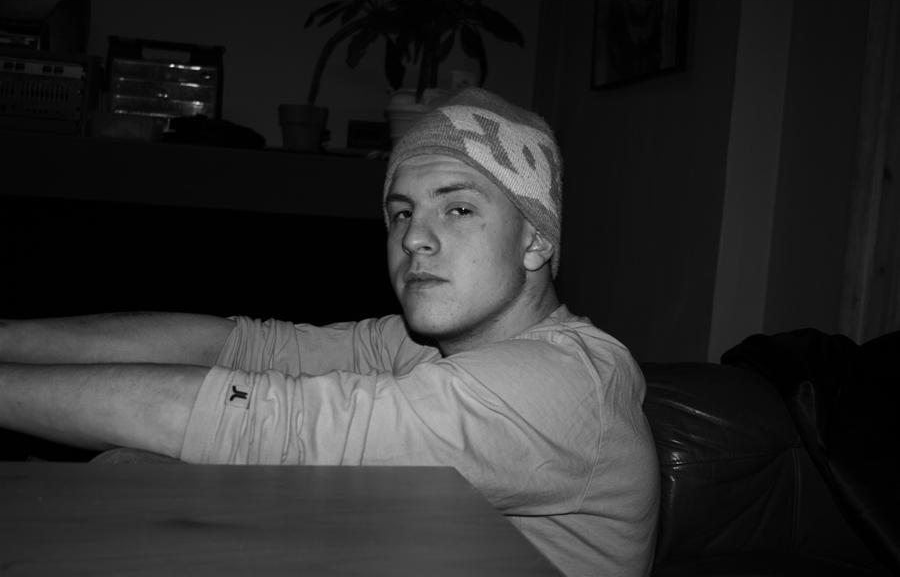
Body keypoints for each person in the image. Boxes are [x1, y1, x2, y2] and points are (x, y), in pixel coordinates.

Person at [0, 88, 659, 577]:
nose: (415, 237)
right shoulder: (425, 346)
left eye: (458, 207)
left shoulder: (568, 384)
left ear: (536, 240)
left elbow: (277, 424)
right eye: (401, 213)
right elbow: (251, 346)